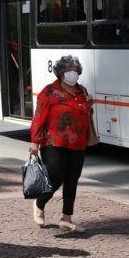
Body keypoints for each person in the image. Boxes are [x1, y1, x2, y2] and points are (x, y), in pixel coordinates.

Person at [29, 55, 94, 233]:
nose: (73, 74)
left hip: (78, 143)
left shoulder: (82, 91)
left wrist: (90, 104)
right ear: (61, 73)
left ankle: (66, 218)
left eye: (75, 70)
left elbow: (86, 113)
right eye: (69, 71)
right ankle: (40, 203)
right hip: (53, 142)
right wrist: (35, 142)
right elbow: (39, 118)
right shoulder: (49, 92)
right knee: (55, 176)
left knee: (72, 180)